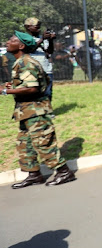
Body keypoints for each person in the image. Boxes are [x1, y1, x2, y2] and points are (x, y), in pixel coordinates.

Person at [4, 31, 76, 188]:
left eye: (12, 40)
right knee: (25, 145)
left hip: (35, 112)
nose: (8, 41)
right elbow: (25, 84)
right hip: (26, 112)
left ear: (21, 46)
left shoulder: (27, 63)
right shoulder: (21, 62)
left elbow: (32, 88)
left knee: (44, 143)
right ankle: (34, 175)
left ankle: (64, 173)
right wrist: (12, 86)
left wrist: (5, 91)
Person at [23, 17, 55, 101]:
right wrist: (42, 39)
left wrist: (50, 40)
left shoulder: (42, 37)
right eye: (36, 26)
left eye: (39, 26)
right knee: (34, 93)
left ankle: (47, 112)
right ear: (28, 27)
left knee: (47, 93)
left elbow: (49, 52)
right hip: (32, 70)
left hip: (46, 69)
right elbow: (29, 50)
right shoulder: (24, 38)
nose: (39, 28)